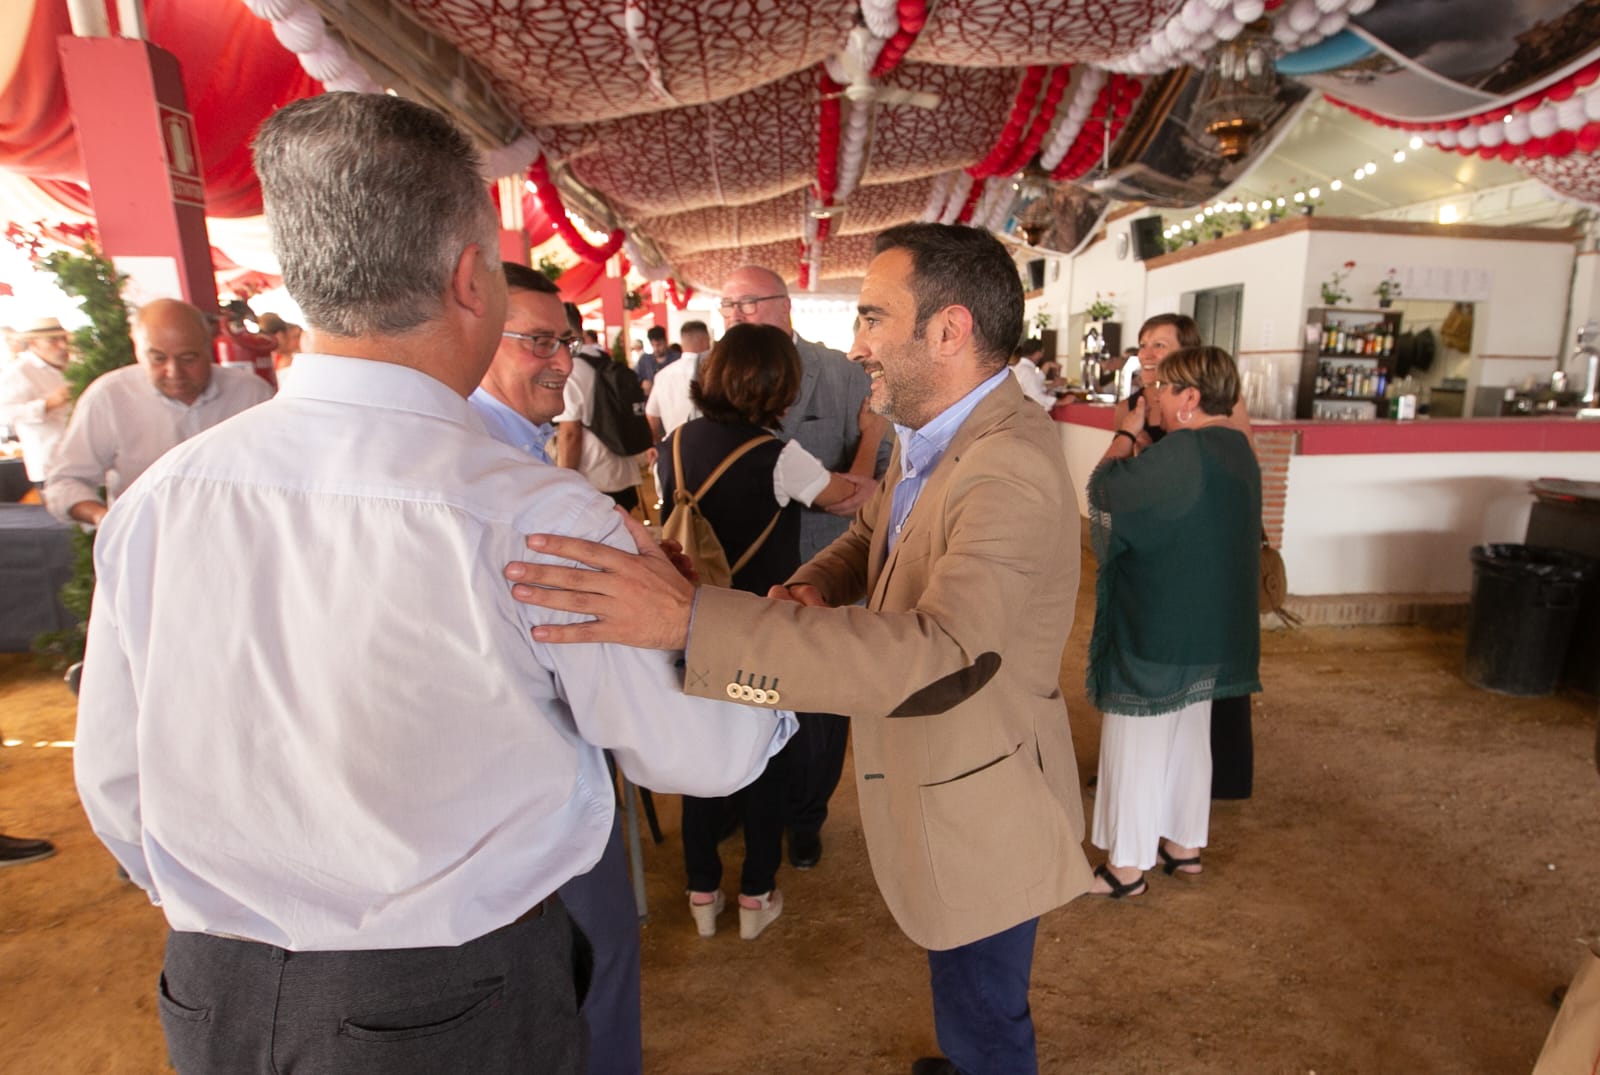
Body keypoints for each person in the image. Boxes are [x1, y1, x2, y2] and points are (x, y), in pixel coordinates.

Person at [73, 91, 792, 1075]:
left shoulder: (160, 499)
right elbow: (703, 753)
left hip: (212, 991)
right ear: (469, 279)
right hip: (444, 1003)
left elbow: (115, 780)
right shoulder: (532, 513)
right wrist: (765, 675)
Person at [506, 223, 1095, 1075]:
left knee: (987, 1005)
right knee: (965, 986)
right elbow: (870, 532)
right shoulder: (936, 434)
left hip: (985, 793)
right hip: (946, 778)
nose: (857, 346)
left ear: (949, 330)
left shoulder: (1004, 465)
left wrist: (692, 623)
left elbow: (938, 652)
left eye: (872, 318)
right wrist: (819, 581)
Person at [468, 262, 643, 1075]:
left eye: (564, 341)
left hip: (519, 778)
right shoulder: (491, 469)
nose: (561, 361)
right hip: (539, 773)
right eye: (536, 340)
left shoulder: (526, 455)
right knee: (593, 965)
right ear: (472, 329)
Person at [658, 323, 873, 942]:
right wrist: (872, 439)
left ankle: (703, 893)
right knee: (767, 760)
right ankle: (756, 893)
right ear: (780, 386)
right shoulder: (778, 457)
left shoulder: (673, 444)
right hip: (759, 634)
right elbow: (849, 500)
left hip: (695, 626)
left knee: (701, 763)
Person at [719, 263, 888, 871]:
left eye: (749, 303)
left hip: (823, 567)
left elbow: (882, 464)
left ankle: (806, 816)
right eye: (728, 306)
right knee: (746, 694)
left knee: (819, 707)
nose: (737, 316)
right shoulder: (717, 373)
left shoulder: (842, 373)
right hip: (742, 575)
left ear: (785, 307)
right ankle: (740, 798)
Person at [1084, 345, 1262, 899]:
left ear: (1189, 398)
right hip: (1214, 622)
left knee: (1136, 733)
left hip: (1164, 622)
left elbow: (1105, 497)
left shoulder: (1184, 451)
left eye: (1162, 388)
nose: (1153, 397)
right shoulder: (1236, 448)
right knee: (1188, 732)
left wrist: (1125, 436)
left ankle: (1126, 867)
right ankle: (1183, 844)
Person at [1128, 314, 1257, 800]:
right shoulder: (1140, 397)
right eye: (1143, 344)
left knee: (1216, 667)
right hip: (1161, 542)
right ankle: (1150, 771)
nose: (1147, 353)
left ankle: (1221, 775)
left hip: (1207, 543)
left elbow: (1238, 460)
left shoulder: (1216, 399)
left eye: (1159, 344)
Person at [43, 299, 273, 527]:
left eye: (188, 358)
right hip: (150, 543)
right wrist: (102, 517)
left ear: (208, 346)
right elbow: (64, 482)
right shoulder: (109, 397)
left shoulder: (251, 393)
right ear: (137, 350)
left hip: (239, 535)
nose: (174, 371)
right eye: (158, 359)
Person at [556, 338, 649, 512]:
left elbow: (570, 434)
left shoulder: (572, 370)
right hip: (624, 473)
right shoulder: (604, 360)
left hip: (593, 478)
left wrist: (564, 484)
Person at [0, 317, 74, 484]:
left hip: (80, 460)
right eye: (53, 340)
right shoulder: (19, 372)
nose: (62, 346)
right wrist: (46, 405)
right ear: (33, 343)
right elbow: (3, 412)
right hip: (50, 463)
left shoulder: (70, 367)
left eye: (63, 339)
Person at [644, 320, 711, 443]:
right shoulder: (715, 372)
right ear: (705, 341)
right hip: (709, 447)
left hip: (673, 449)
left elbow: (651, 415)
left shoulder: (662, 375)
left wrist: (657, 444)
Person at [1009, 337, 1061, 409]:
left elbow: (1034, 384)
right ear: (1037, 353)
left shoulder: (1023, 367)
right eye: (1042, 353)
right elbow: (1036, 397)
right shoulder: (1026, 370)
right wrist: (1062, 402)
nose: (1042, 356)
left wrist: (1048, 365)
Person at [633, 325, 672, 396]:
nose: (656, 349)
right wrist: (642, 383)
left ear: (665, 341)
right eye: (653, 345)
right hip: (651, 400)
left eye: (659, 345)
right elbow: (635, 379)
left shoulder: (676, 358)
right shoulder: (645, 360)